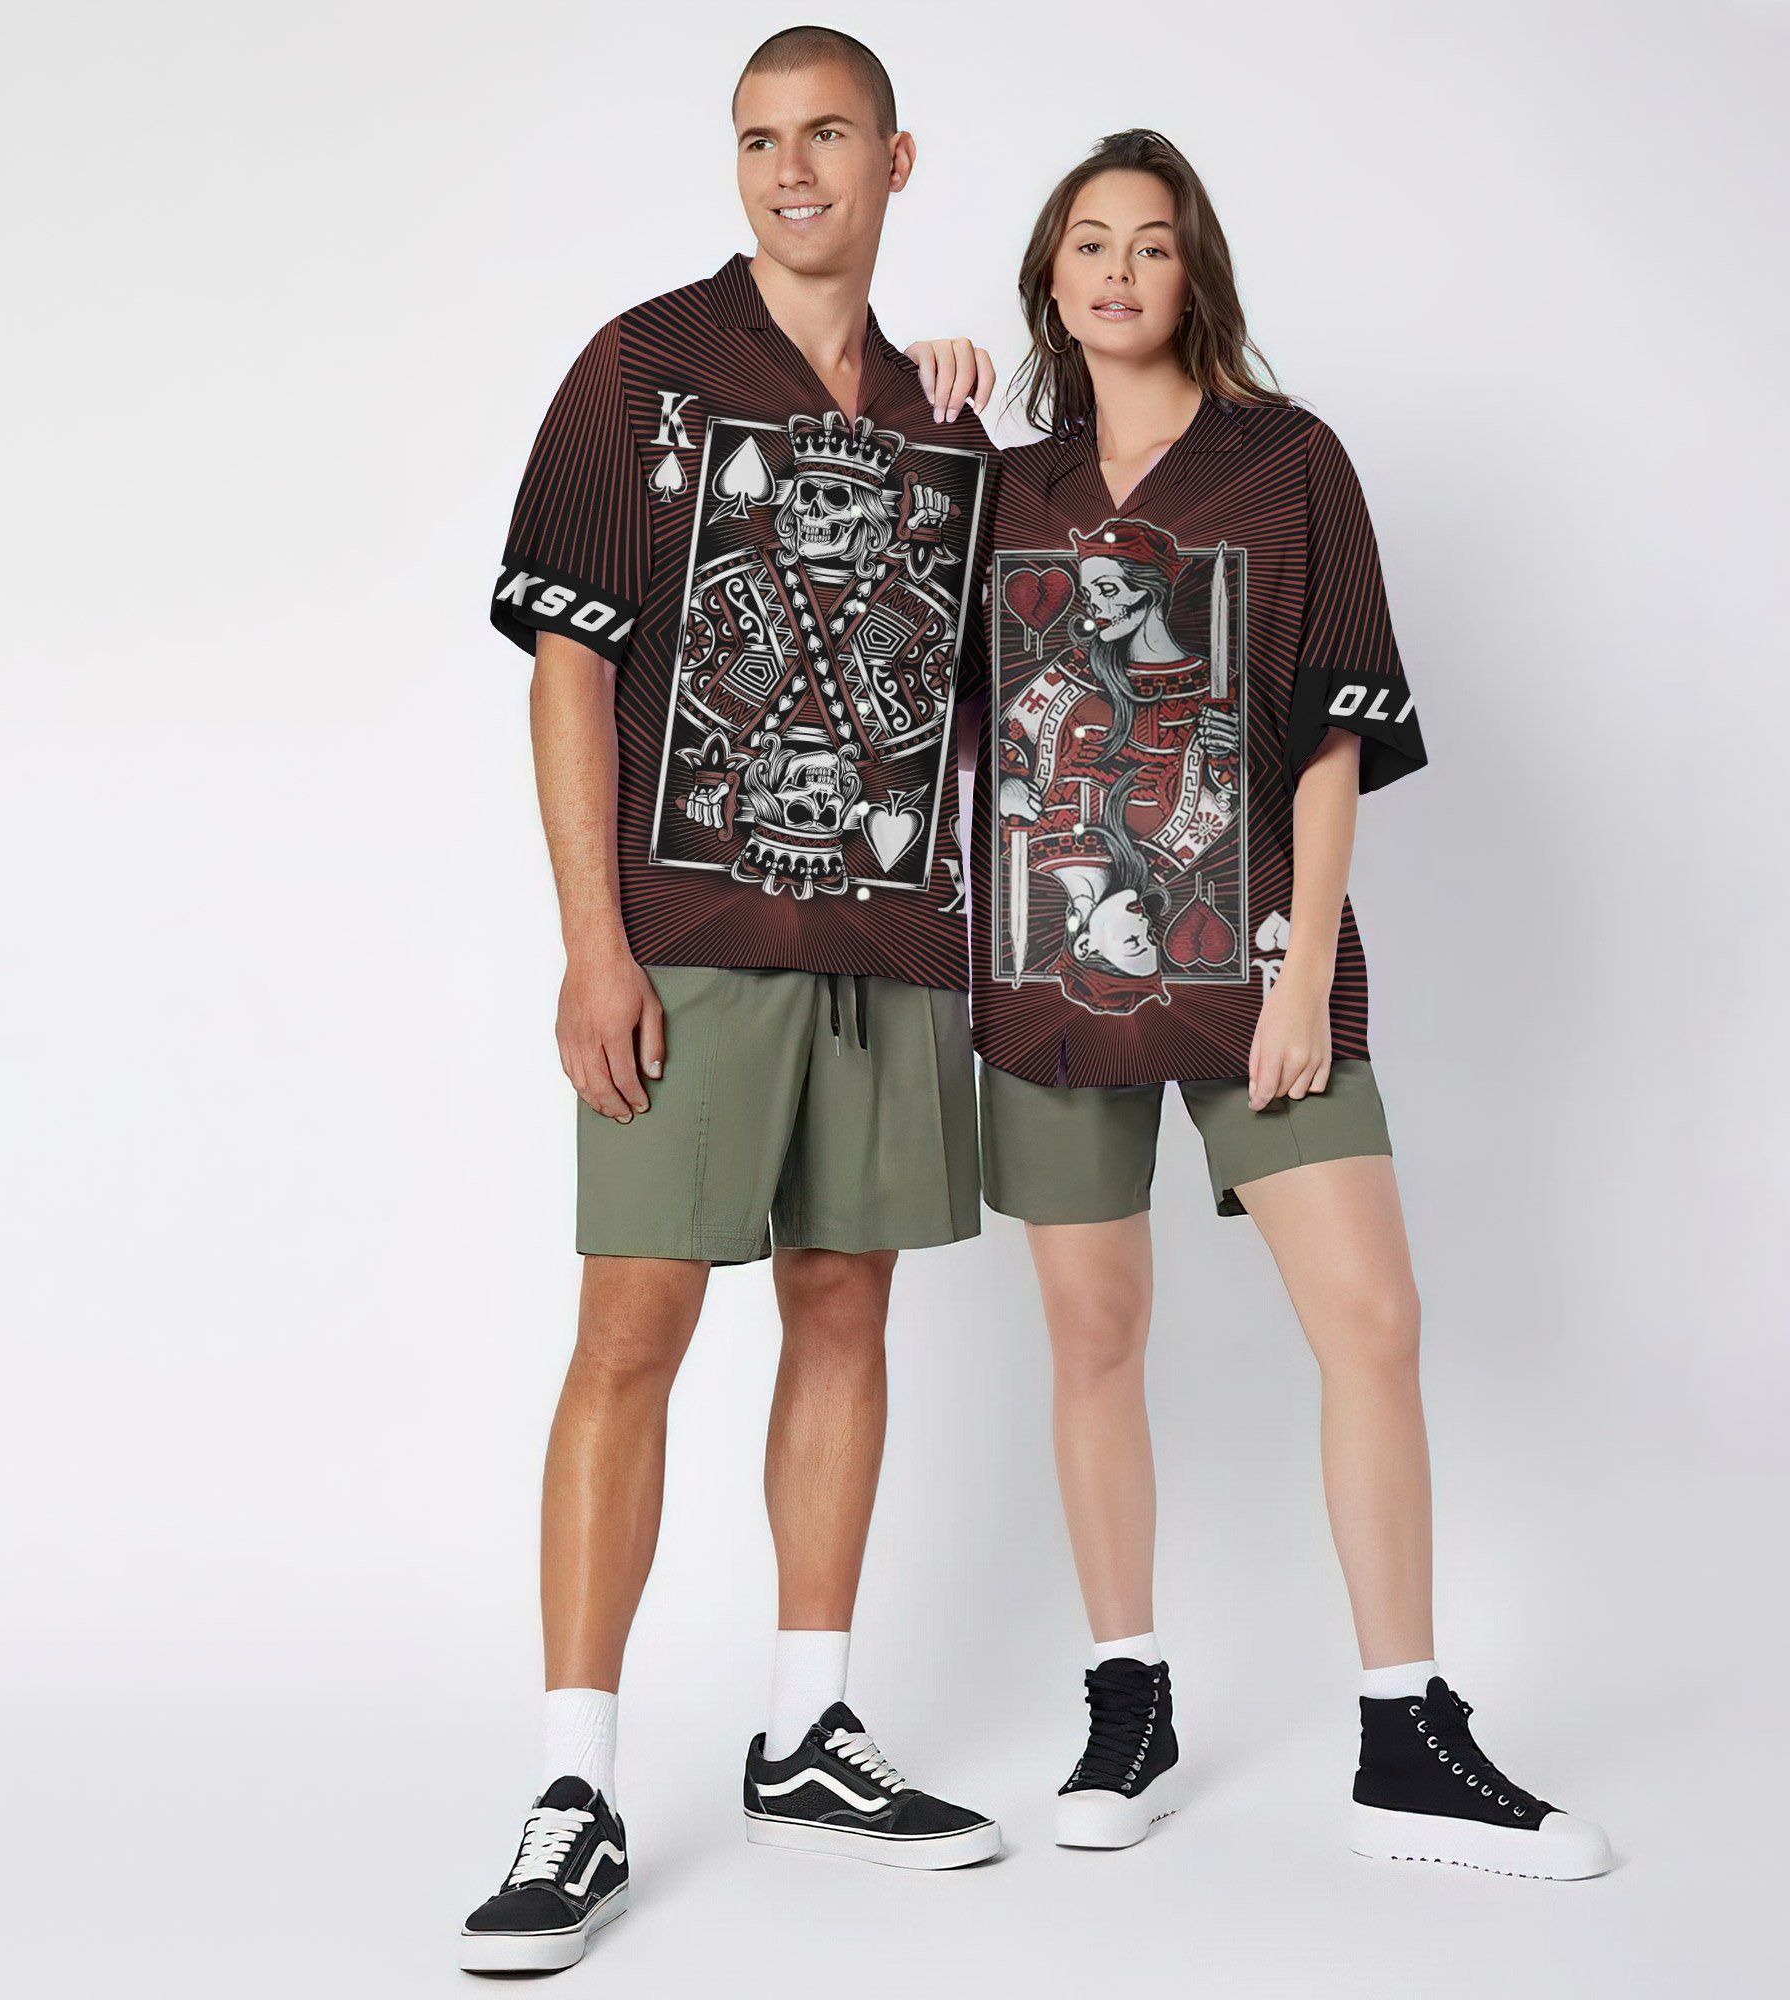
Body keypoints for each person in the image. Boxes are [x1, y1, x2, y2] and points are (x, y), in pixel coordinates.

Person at [971, 129, 1612, 1877]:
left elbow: (1331, 730)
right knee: (1094, 1335)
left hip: (1258, 961)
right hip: (1051, 972)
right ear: (1049, 280)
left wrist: (1306, 964)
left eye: (1150, 242)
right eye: (1087, 242)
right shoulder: (1002, 489)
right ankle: (1128, 1701)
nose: (1117, 270)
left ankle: (1405, 1727)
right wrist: (916, 394)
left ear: (1195, 272)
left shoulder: (1286, 460)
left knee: (1372, 1321)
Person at [461, 28, 1002, 1974]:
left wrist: (983, 416)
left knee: (846, 1303)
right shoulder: (643, 368)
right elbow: (567, 667)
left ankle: (806, 1729)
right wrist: (591, 943)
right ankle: (575, 1786)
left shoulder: (948, 425)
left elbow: (1007, 679)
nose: (791, 170)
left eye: (827, 134)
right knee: (632, 1329)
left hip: (886, 941)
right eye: (760, 139)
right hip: (687, 937)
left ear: (895, 159)